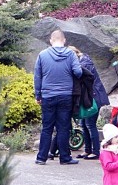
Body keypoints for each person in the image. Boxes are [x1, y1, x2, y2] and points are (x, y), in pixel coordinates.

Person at [34, 28, 83, 165]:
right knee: (63, 127)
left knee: (47, 127)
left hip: (48, 95)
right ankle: (65, 157)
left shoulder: (42, 55)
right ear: (64, 40)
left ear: (51, 41)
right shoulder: (70, 54)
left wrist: (38, 95)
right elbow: (78, 72)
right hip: (65, 95)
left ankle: (41, 158)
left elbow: (37, 77)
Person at [74, 48, 110, 160]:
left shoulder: (85, 63)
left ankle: (95, 151)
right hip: (88, 98)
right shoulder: (82, 62)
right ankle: (87, 150)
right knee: (84, 125)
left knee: (90, 125)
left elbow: (83, 79)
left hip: (93, 98)